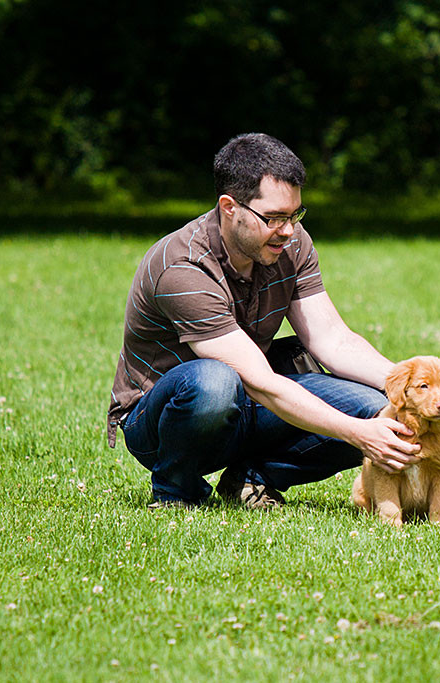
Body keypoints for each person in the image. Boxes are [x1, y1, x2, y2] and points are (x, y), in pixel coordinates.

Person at [106, 133, 420, 509]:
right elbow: (261, 382)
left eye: (294, 215)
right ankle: (177, 490)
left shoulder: (290, 242)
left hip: (247, 398)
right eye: (273, 218)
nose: (287, 230)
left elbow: (333, 339)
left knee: (375, 408)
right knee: (213, 382)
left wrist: (407, 388)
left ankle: (252, 480)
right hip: (162, 418)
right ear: (229, 207)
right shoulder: (183, 266)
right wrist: (359, 434)